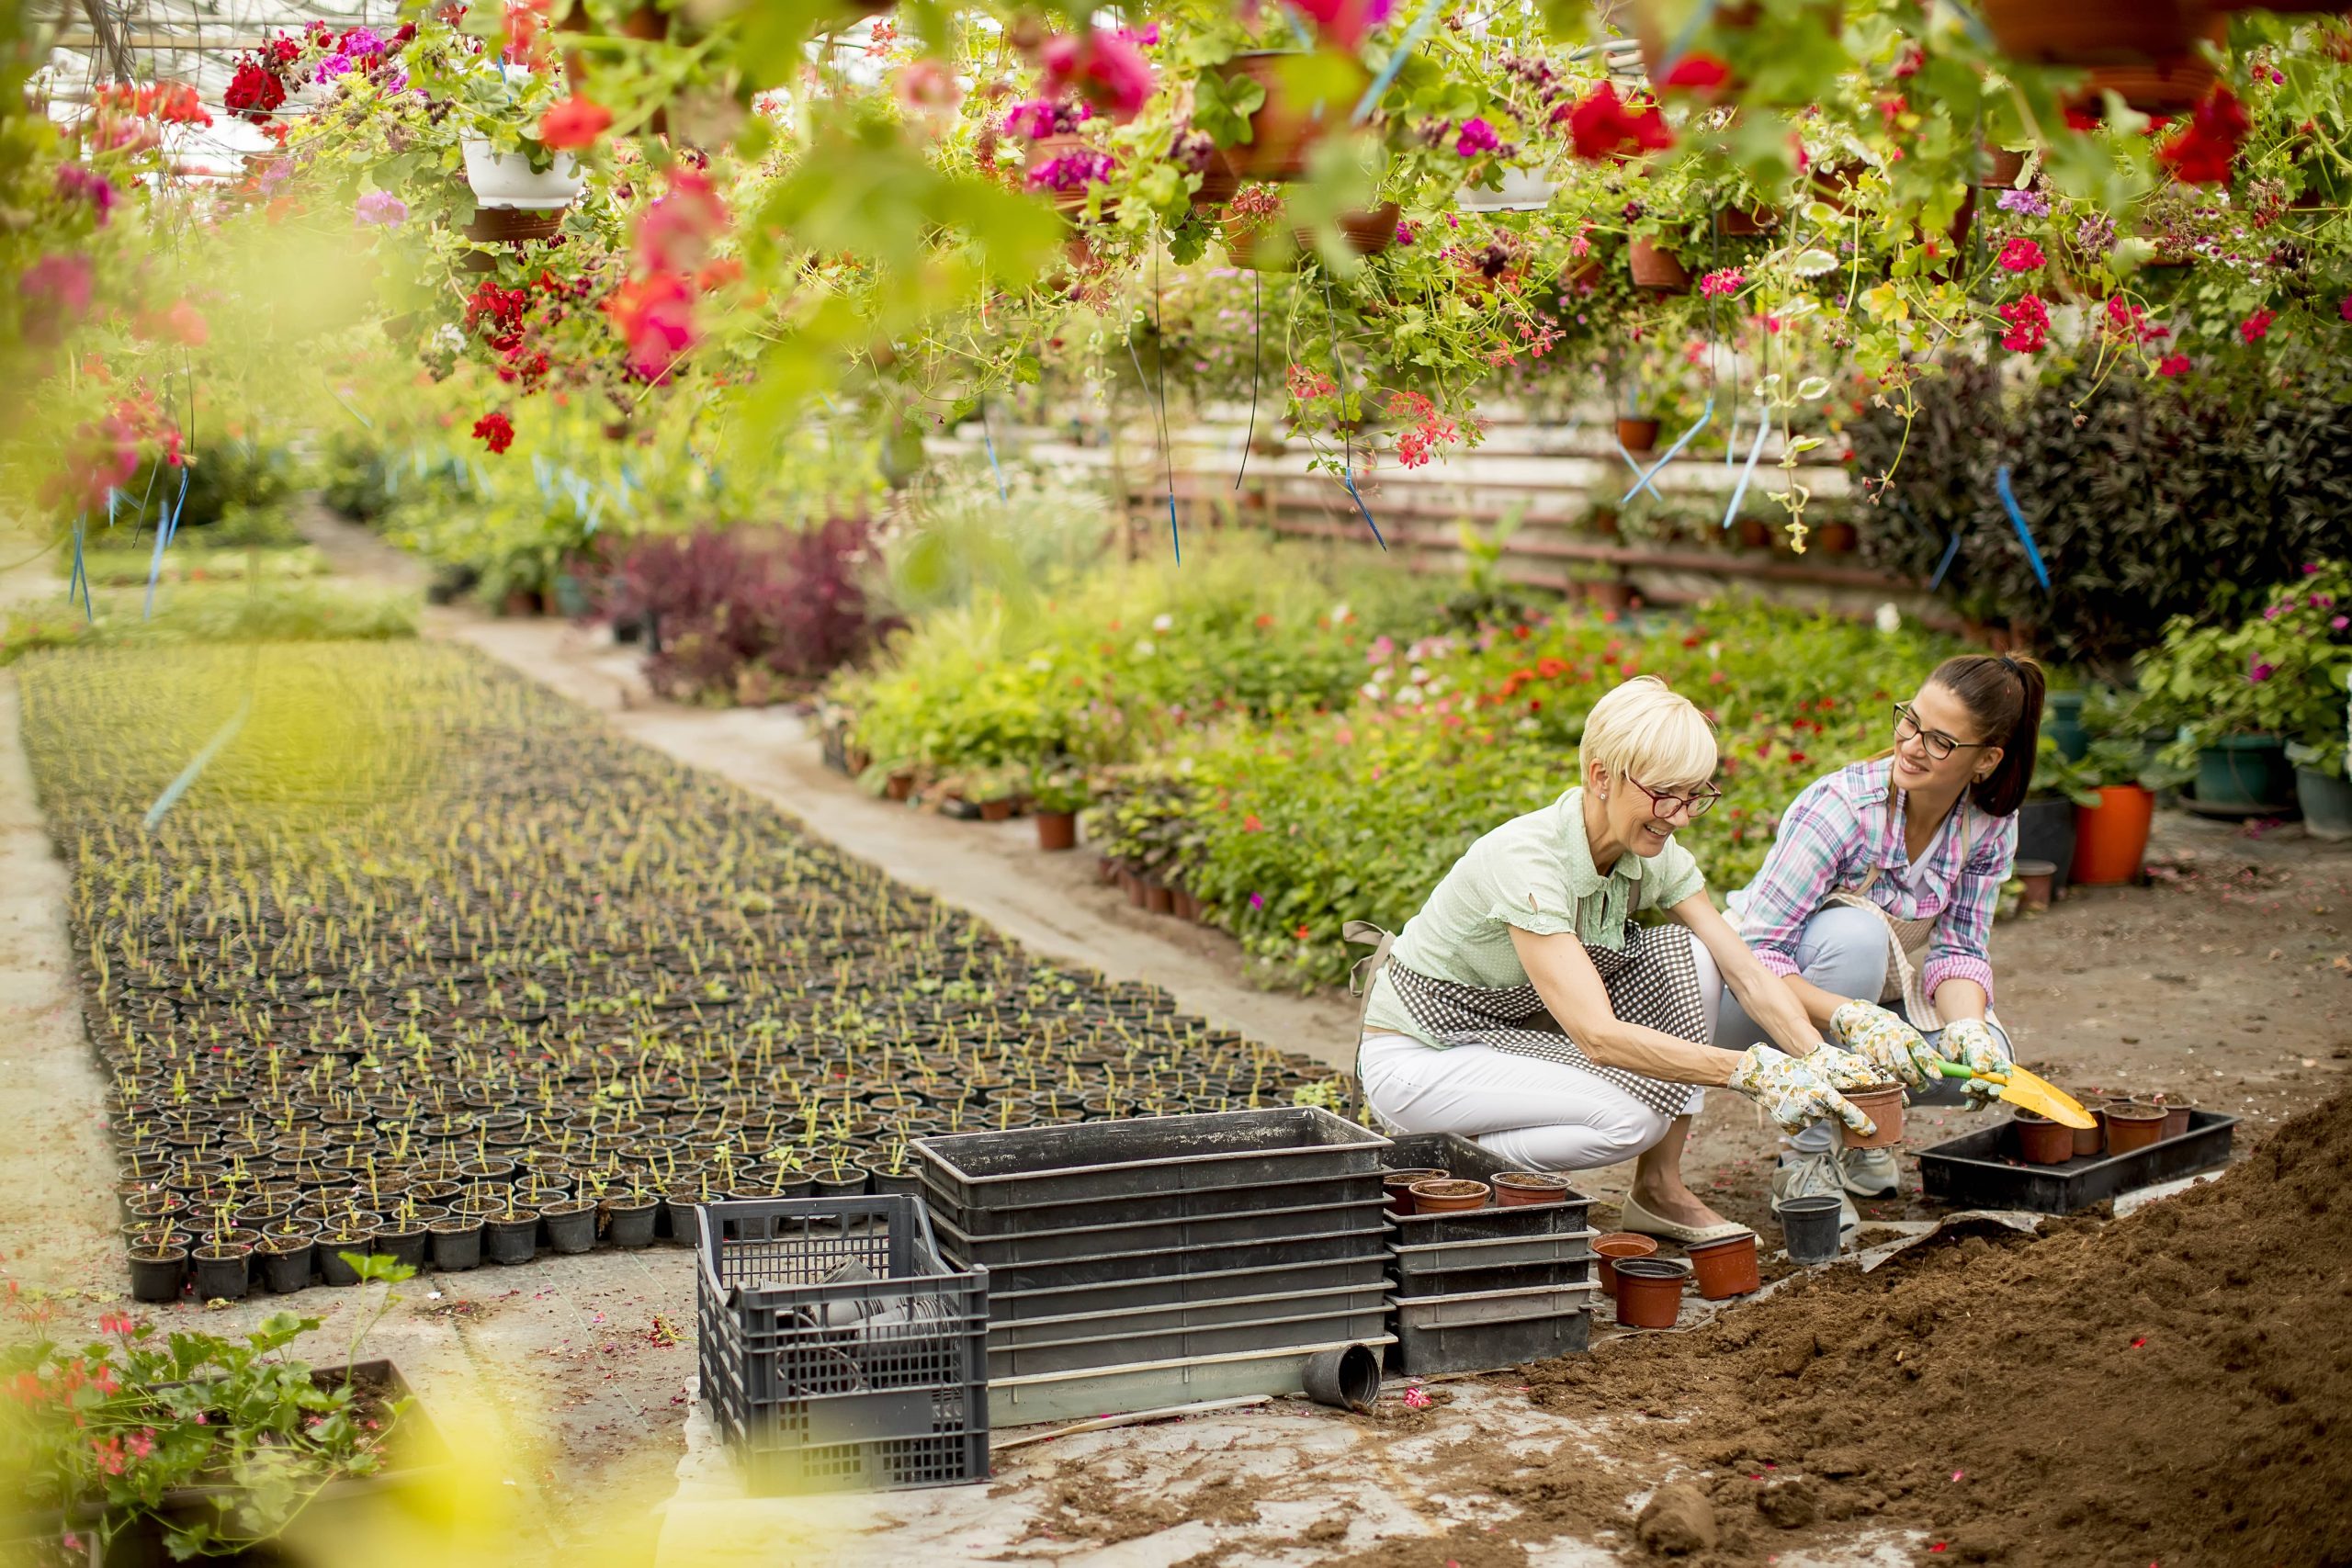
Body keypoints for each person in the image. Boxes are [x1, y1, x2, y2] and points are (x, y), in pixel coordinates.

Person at [1350, 675, 1891, 1247]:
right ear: (1601, 776)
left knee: (1697, 957)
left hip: (1506, 1040)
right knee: (1628, 1119)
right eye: (1664, 794)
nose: (1679, 816)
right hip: (1421, 1056)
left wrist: (1819, 1056)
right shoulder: (1527, 860)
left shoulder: (1651, 855)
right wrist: (1751, 1072)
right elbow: (1597, 1036)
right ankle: (1439, 1169)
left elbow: (1745, 970)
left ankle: (1659, 1191)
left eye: (1694, 796)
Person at [1713, 654, 2045, 1230]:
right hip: (1743, 1004)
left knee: (1988, 1053)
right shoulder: (1843, 808)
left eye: (1940, 741)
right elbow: (1759, 955)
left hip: (1849, 1000)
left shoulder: (1988, 824)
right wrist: (1859, 1021)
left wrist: (1966, 1028)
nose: (1912, 745)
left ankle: (1861, 1127)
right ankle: (1808, 1159)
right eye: (1909, 721)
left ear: (1986, 761)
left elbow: (1961, 950)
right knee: (1856, 936)